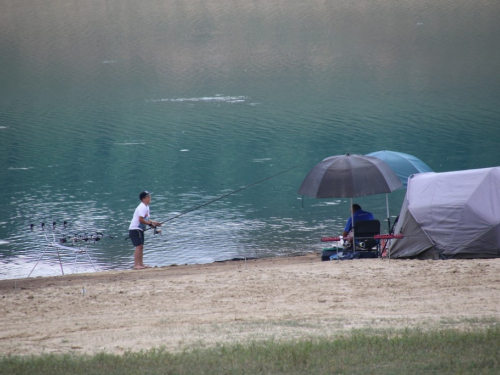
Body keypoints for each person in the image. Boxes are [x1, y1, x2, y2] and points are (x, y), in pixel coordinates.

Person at [128, 191, 161, 269]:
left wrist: (155, 223)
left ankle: (141, 264)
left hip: (140, 229)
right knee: (139, 246)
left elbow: (146, 219)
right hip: (135, 229)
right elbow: (141, 220)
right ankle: (136, 265)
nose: (150, 198)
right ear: (143, 199)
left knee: (141, 246)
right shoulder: (142, 207)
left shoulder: (146, 207)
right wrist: (150, 224)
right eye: (148, 197)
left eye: (149, 196)